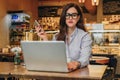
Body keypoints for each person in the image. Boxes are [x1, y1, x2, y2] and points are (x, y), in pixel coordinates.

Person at [35, 3, 92, 71]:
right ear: (64, 17)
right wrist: (45, 38)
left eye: (74, 15)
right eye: (67, 15)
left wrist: (75, 64)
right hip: (60, 73)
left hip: (78, 74)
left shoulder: (85, 36)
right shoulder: (56, 36)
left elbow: (85, 59)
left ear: (78, 17)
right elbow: (51, 56)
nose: (70, 18)